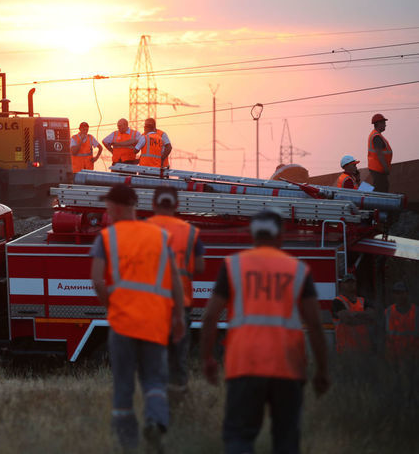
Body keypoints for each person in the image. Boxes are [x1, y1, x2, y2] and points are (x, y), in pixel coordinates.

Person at [200, 209, 330, 454]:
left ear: (252, 234)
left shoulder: (233, 266)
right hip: (288, 367)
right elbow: (314, 324)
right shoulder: (298, 270)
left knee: (239, 437)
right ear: (281, 235)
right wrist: (322, 371)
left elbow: (209, 317)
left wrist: (207, 359)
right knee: (286, 440)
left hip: (245, 366)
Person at [90, 184, 185, 453]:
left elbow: (97, 280)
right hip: (155, 323)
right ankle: (155, 423)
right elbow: (175, 280)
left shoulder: (107, 238)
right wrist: (178, 317)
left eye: (108, 205)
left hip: (122, 324)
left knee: (123, 387)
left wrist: (112, 306)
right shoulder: (158, 236)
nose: (106, 210)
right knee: (154, 381)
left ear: (118, 207)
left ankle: (127, 444)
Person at [147, 186, 205, 393]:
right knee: (178, 359)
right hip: (181, 306)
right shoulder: (190, 232)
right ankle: (179, 401)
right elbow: (199, 267)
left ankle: (155, 408)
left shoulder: (143, 229)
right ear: (177, 205)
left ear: (153, 204)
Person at [332, 273, 374, 354]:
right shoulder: (337, 301)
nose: (350, 284)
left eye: (352, 282)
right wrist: (364, 317)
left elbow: (373, 315)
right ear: (342, 285)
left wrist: (353, 314)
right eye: (347, 282)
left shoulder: (362, 300)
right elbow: (347, 320)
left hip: (363, 350)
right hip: (345, 351)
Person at [384, 281, 419, 361]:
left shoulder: (417, 312)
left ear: (407, 293)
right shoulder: (387, 312)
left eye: (402, 293)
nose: (399, 296)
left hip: (413, 359)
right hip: (393, 360)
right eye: (396, 293)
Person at [367, 113, 392, 192]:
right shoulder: (376, 136)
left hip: (376, 168)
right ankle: (363, 195)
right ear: (379, 123)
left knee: (378, 188)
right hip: (378, 169)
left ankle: (364, 192)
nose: (385, 125)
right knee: (381, 190)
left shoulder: (376, 135)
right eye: (384, 123)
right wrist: (386, 168)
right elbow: (380, 154)